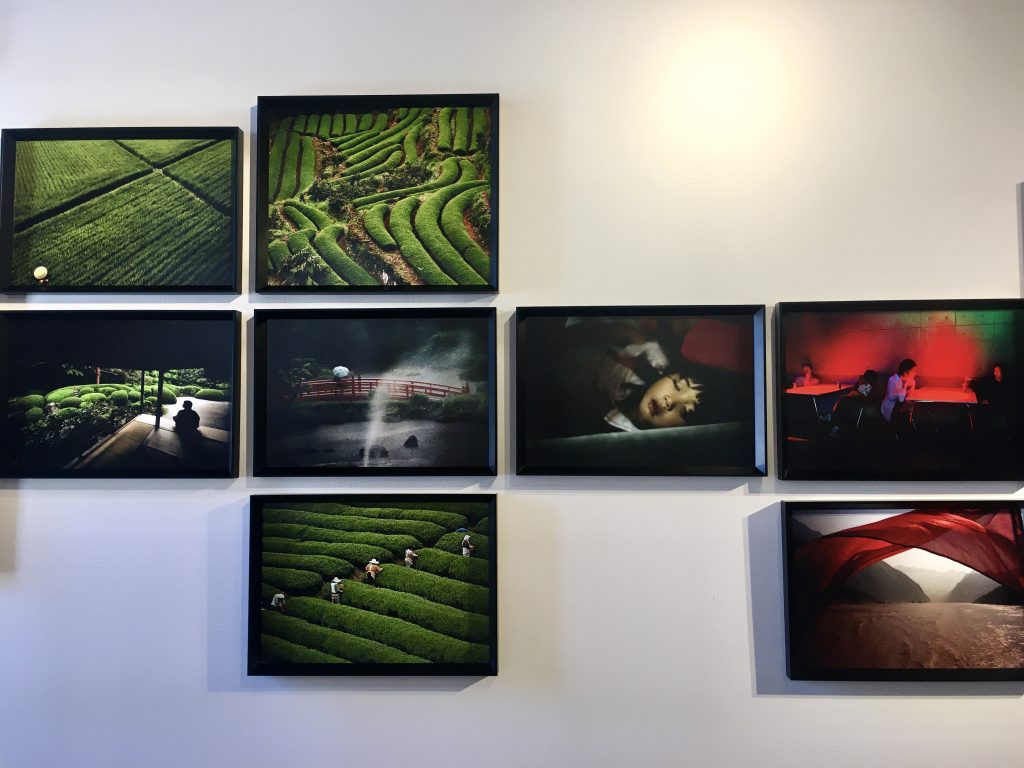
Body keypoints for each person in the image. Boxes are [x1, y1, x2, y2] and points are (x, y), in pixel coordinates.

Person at [881, 358, 917, 425]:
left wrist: (908, 402)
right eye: (913, 371)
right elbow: (891, 397)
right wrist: (904, 389)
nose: (915, 373)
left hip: (903, 407)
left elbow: (910, 396)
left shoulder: (912, 381)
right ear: (905, 371)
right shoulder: (893, 379)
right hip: (891, 407)